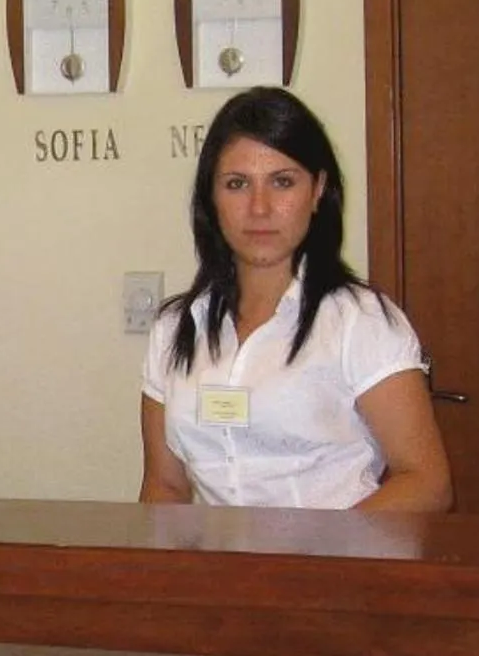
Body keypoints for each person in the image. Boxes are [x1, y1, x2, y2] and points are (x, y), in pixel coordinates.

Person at [139, 87, 452, 512]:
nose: (260, 207)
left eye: (282, 182)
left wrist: (314, 562)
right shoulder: (174, 330)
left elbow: (426, 482)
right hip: (216, 572)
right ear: (211, 198)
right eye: (237, 184)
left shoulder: (361, 322)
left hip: (332, 570)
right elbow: (165, 487)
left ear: (318, 189)